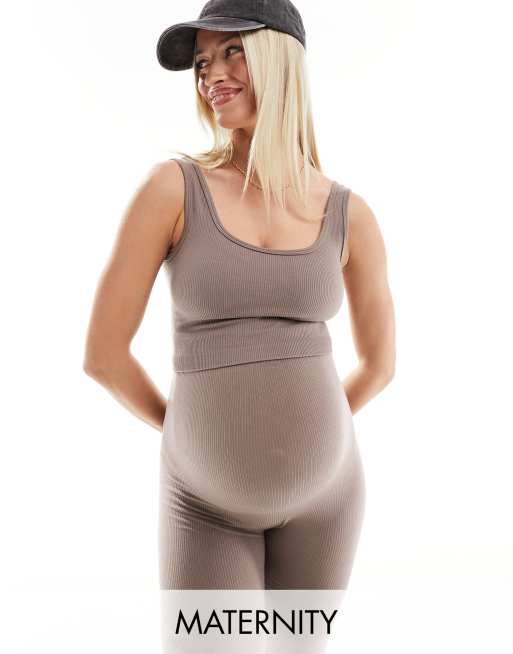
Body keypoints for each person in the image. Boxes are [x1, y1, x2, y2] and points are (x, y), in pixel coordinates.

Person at [83, 0, 395, 598]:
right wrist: (191, 436)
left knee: (297, 643)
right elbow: (103, 356)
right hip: (204, 506)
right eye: (202, 63)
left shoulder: (350, 215)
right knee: (208, 642)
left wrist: (318, 433)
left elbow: (380, 365)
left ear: (282, 59)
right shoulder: (173, 189)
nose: (211, 76)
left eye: (233, 52)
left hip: (328, 503)